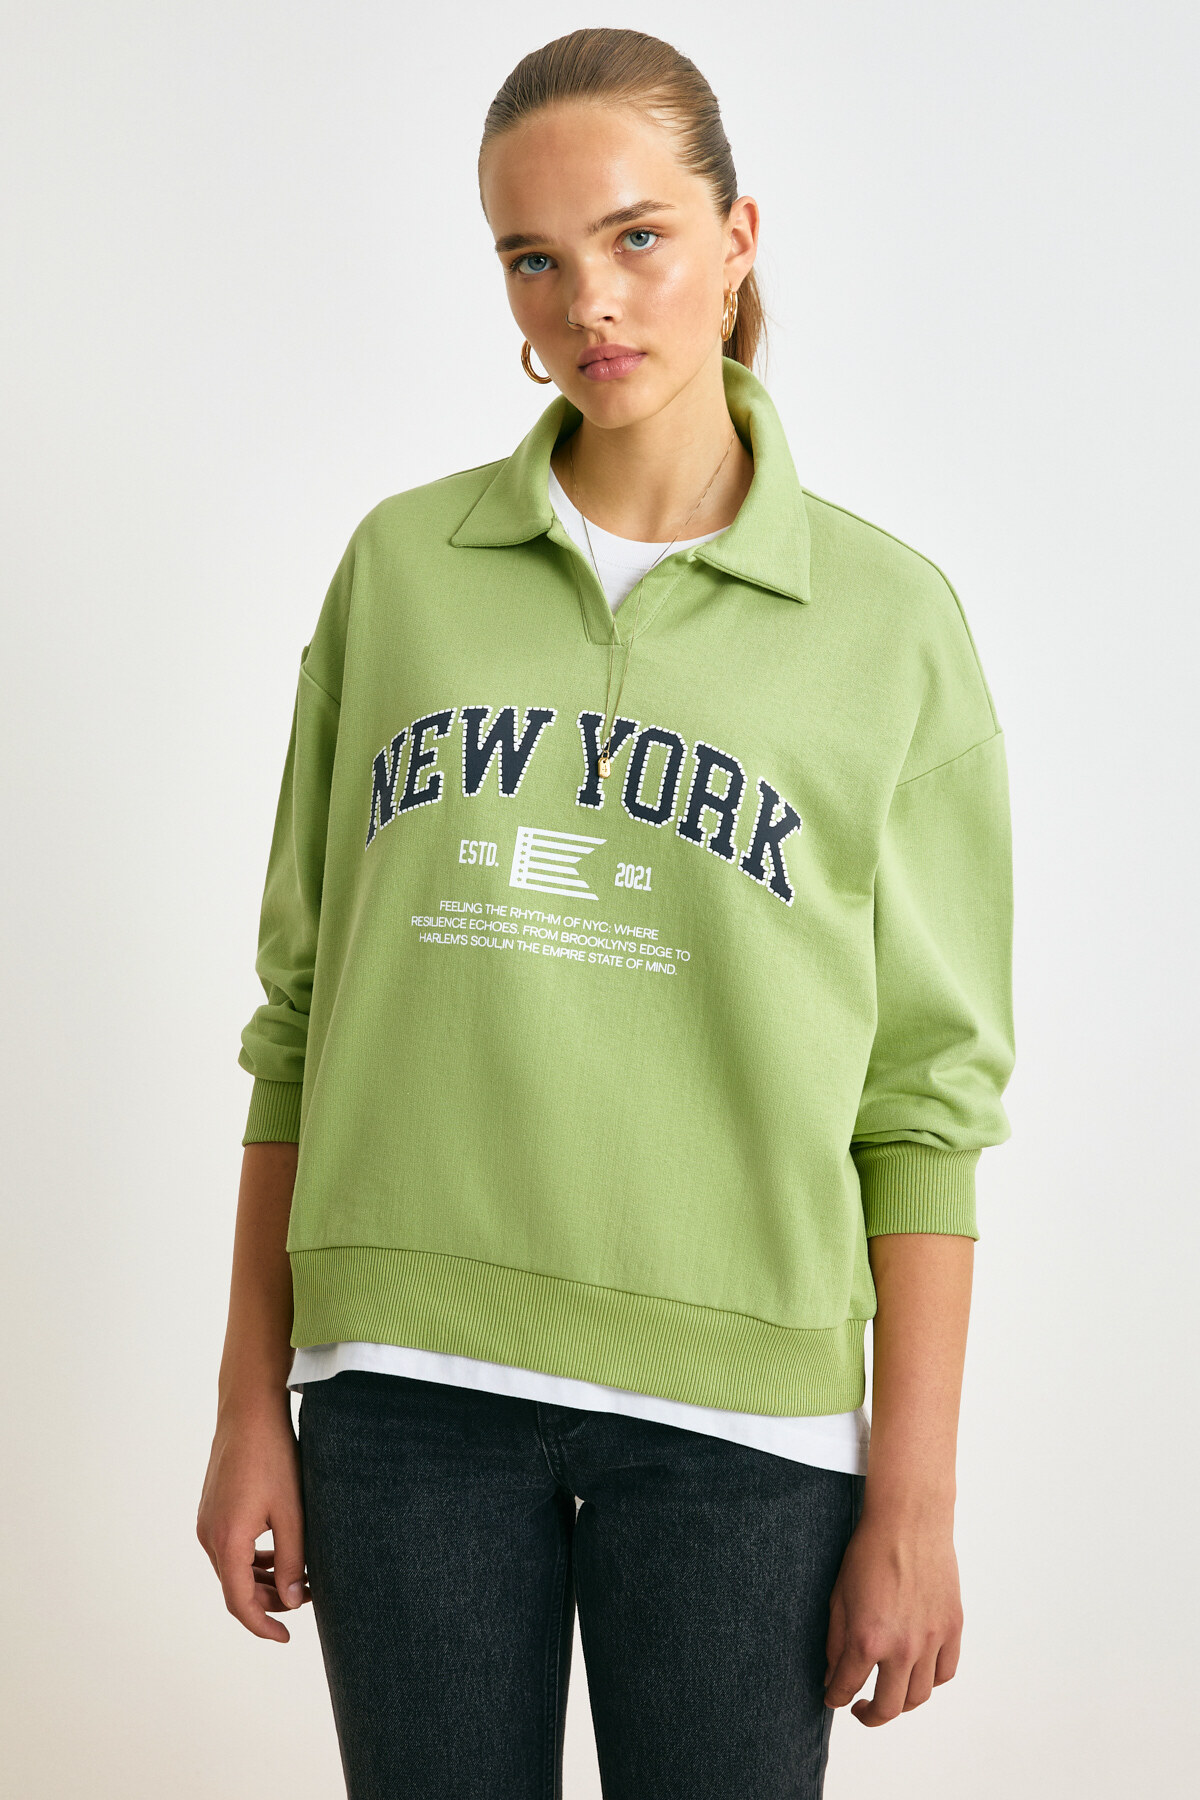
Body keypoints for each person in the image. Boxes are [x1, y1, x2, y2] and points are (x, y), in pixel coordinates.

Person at [197, 27, 1015, 1800]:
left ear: (737, 237)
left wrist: (916, 1498)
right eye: (533, 257)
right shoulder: (402, 573)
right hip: (402, 1397)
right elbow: (301, 1016)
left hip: (743, 1431)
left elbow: (927, 1102)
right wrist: (251, 1399)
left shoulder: (889, 624)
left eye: (638, 236)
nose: (590, 303)